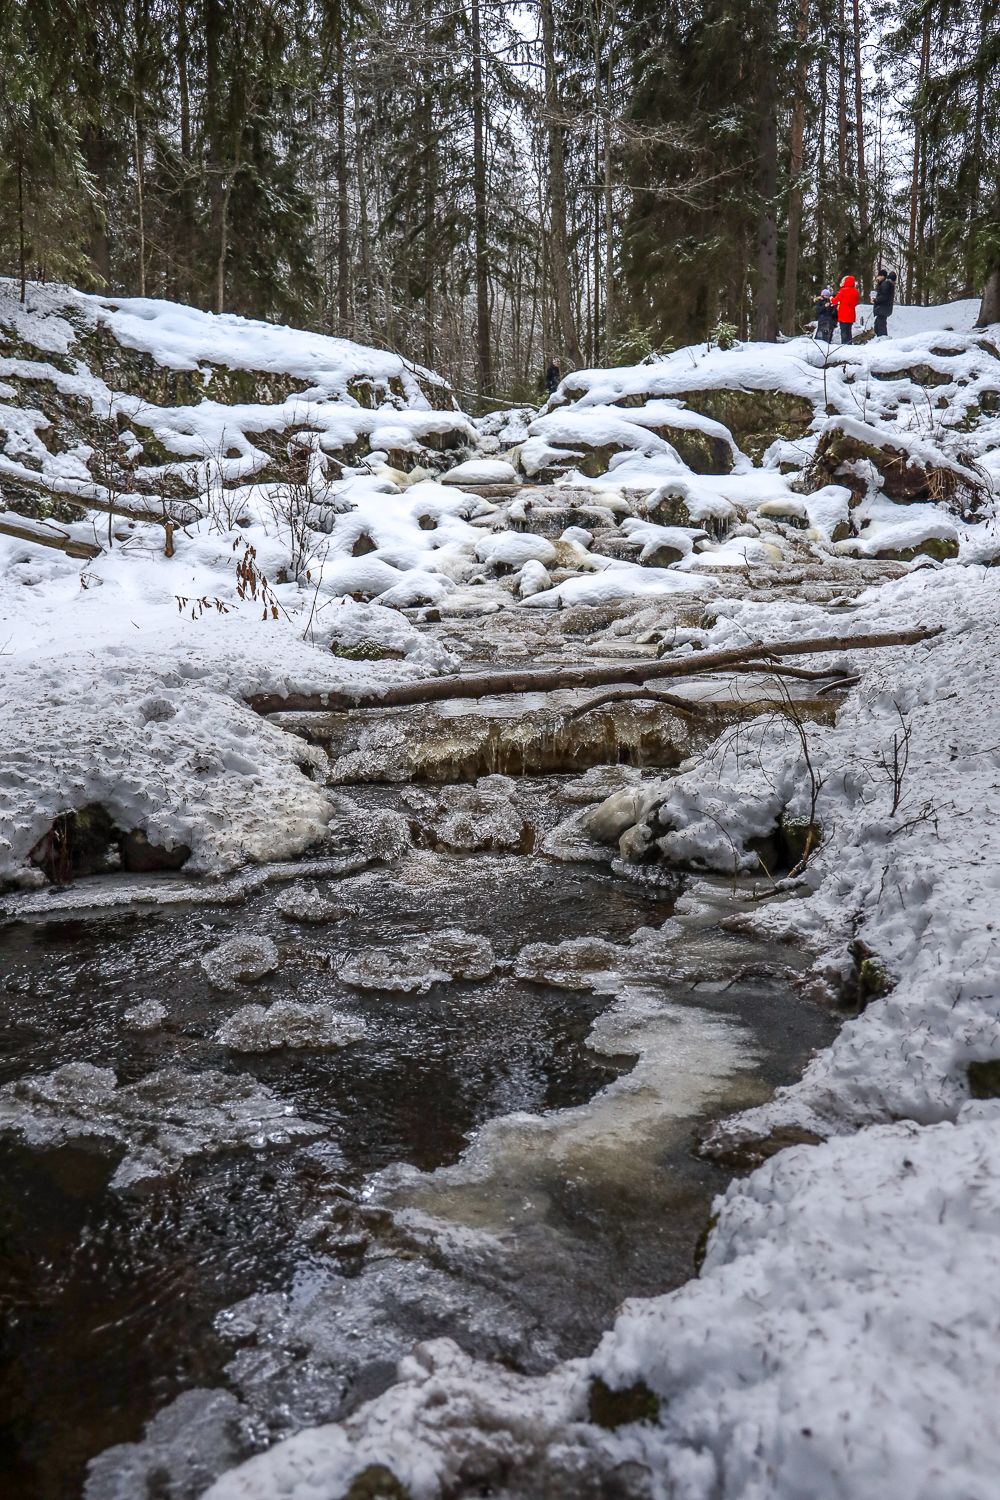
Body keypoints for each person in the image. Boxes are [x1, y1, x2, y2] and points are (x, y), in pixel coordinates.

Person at [830, 274, 860, 343]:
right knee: (849, 331)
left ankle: (844, 346)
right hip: (851, 314)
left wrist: (831, 298)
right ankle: (849, 344)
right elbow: (855, 303)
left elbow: (835, 301)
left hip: (843, 314)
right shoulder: (855, 291)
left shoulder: (843, 291)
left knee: (843, 332)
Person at [871, 268, 896, 337]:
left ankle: (882, 340)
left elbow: (884, 296)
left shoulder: (885, 284)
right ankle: (881, 339)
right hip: (884, 309)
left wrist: (876, 300)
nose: (877, 277)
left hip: (882, 309)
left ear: (882, 276)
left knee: (880, 326)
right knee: (879, 324)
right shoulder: (886, 284)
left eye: (878, 276)